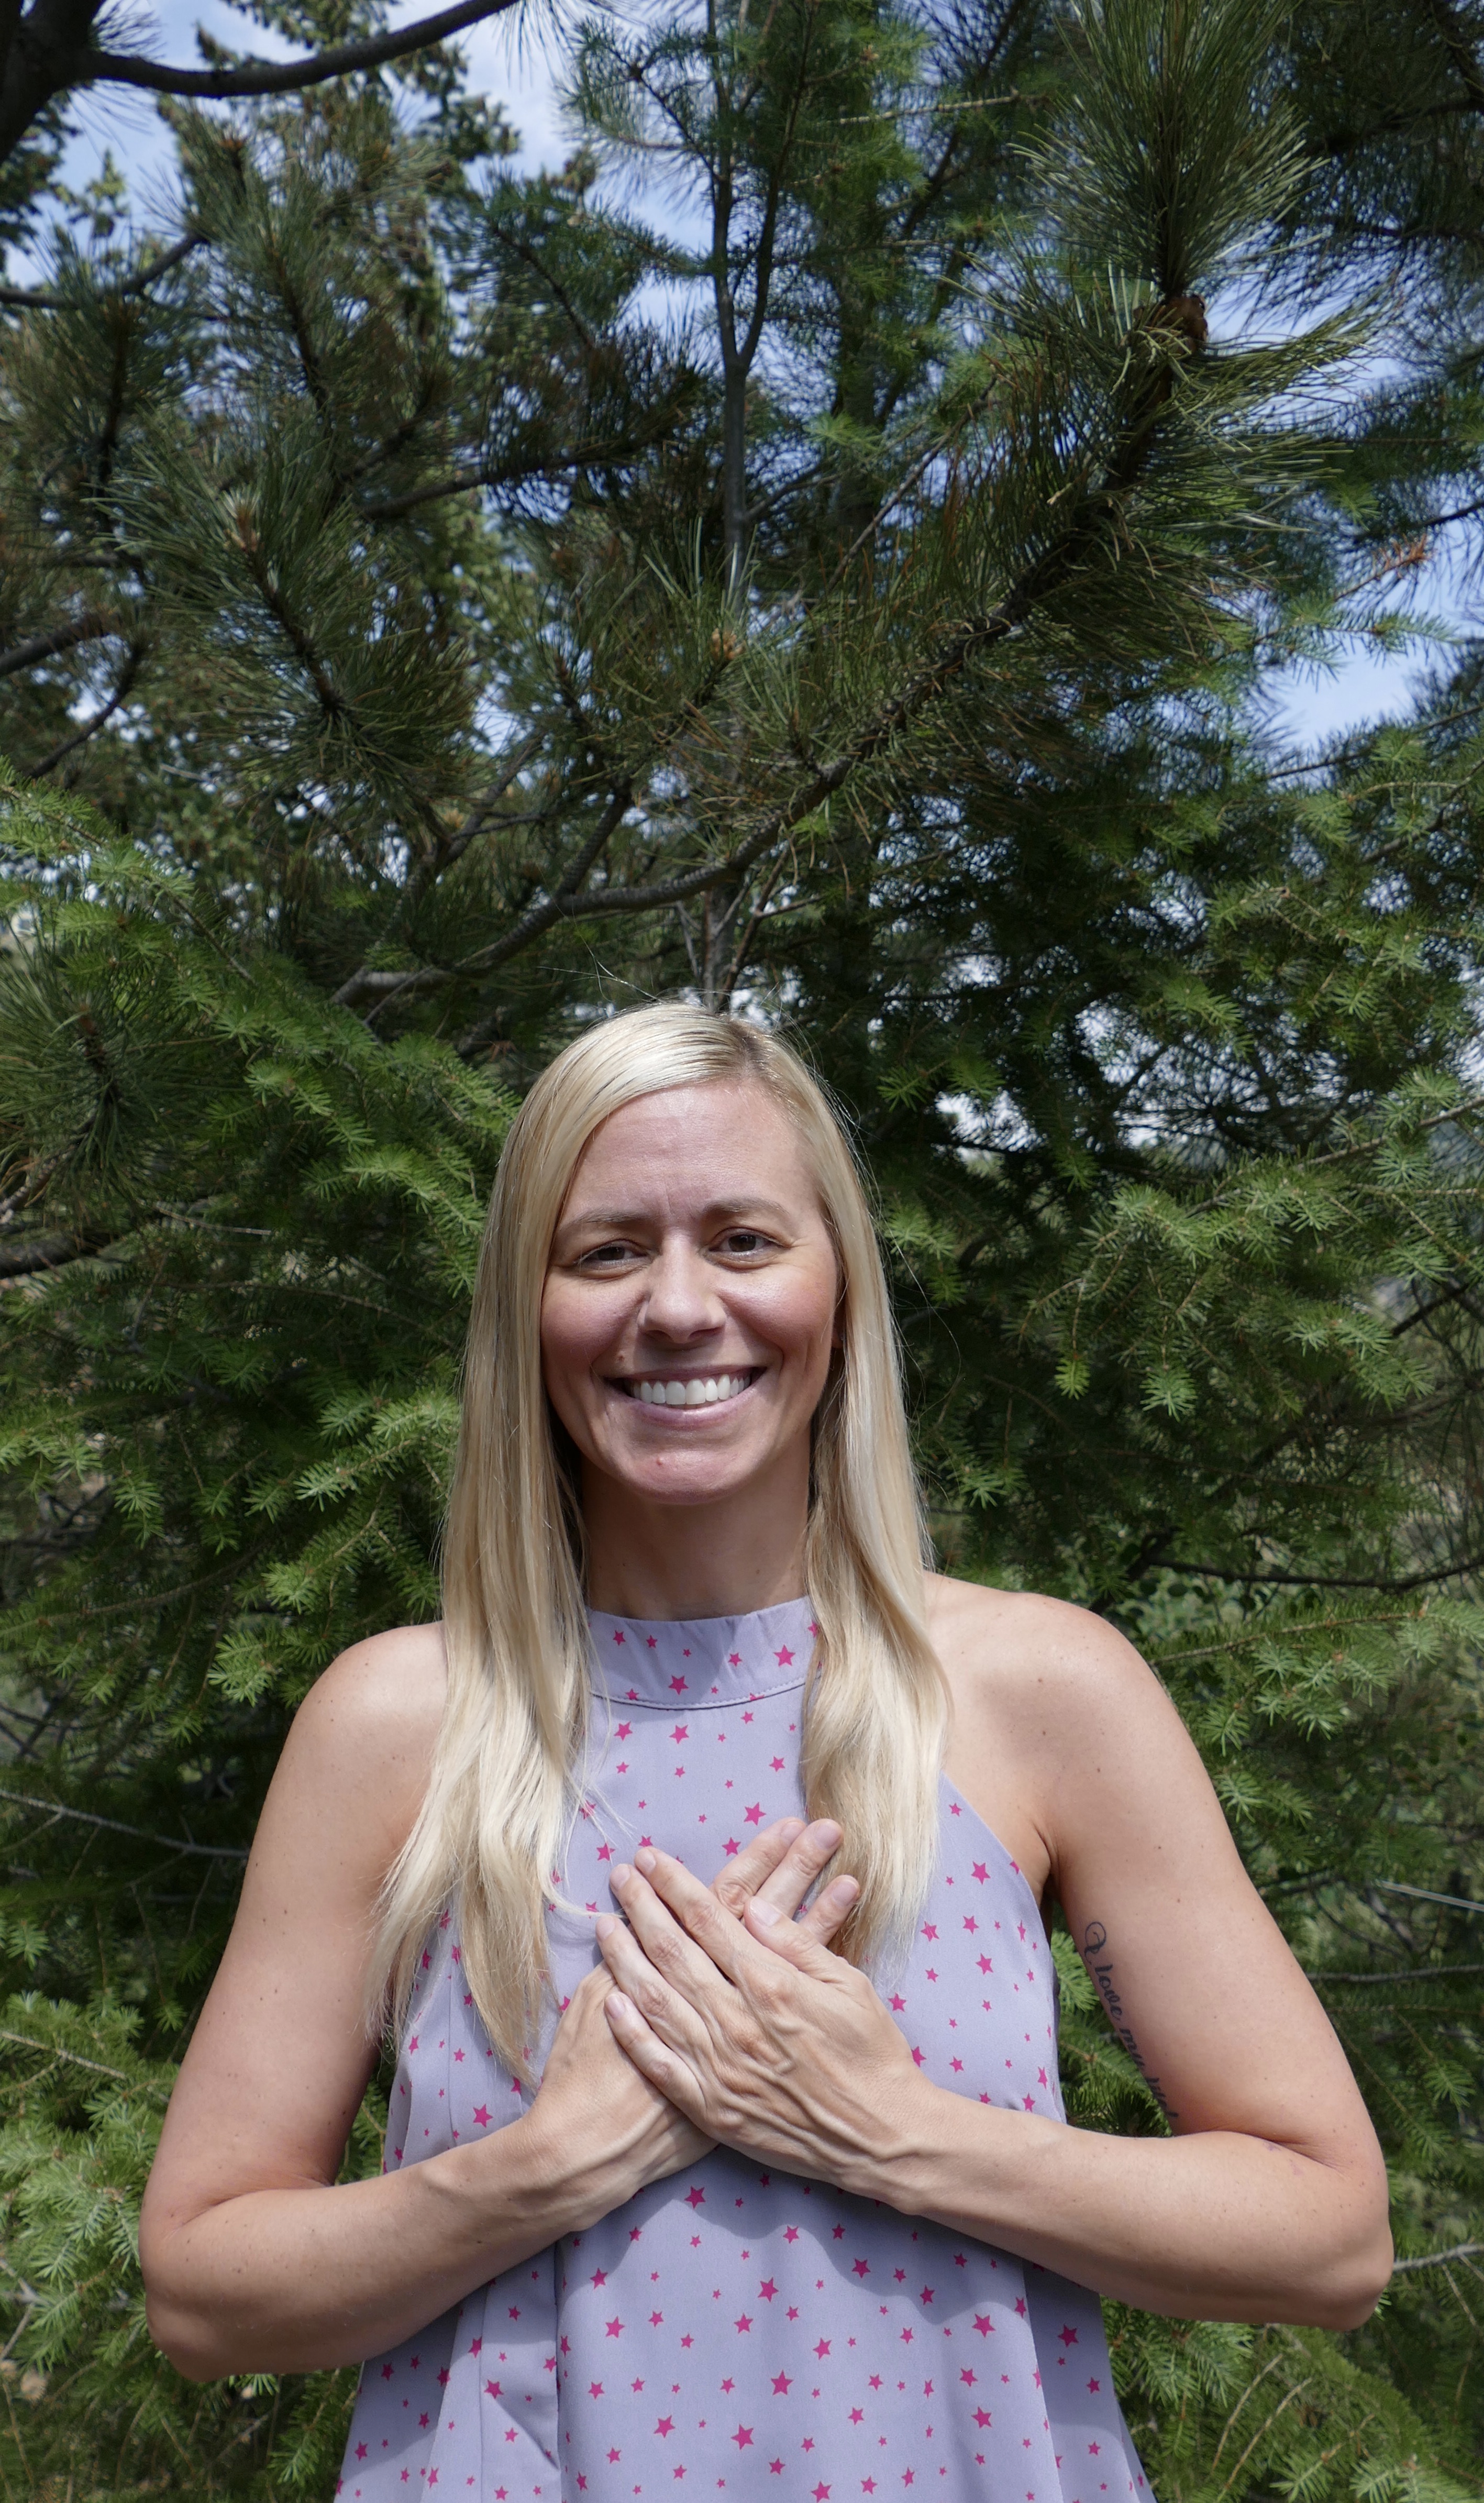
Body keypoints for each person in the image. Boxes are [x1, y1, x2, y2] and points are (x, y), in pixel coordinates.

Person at [139, 1002, 1392, 2503]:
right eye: (605, 1250)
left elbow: (1327, 2233)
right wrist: (541, 2168)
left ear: (839, 1288)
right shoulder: (402, 1724)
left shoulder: (1039, 1690)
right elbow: (204, 2287)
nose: (677, 1306)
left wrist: (894, 2131)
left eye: (742, 1240)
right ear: (524, 1311)